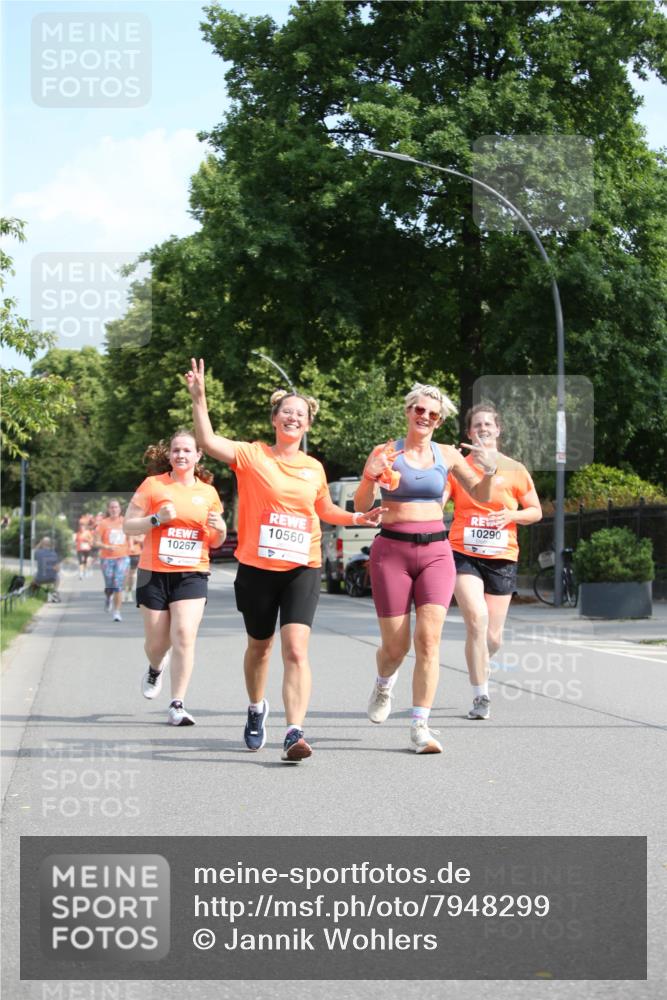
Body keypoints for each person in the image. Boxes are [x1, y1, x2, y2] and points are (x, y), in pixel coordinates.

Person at [186, 358, 385, 763]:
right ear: (275, 419)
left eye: (301, 414)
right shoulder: (251, 455)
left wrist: (356, 518)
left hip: (302, 566)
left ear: (307, 425)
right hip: (258, 569)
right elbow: (207, 442)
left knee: (296, 649)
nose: (293, 418)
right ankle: (257, 707)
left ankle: (294, 730)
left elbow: (325, 509)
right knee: (260, 647)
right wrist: (199, 398)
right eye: (287, 412)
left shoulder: (314, 468)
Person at [354, 383, 498, 754]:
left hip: (436, 551)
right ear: (408, 411)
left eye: (433, 414)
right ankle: (384, 683)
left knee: (429, 642)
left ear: (440, 420)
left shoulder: (447, 455)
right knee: (396, 646)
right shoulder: (386, 453)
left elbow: (481, 496)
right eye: (419, 410)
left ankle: (421, 725)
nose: (425, 417)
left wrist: (490, 471)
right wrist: (370, 476)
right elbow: (361, 503)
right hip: (391, 552)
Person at [443, 402, 542, 720]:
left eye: (488, 424)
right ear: (469, 432)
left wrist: (511, 514)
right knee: (476, 619)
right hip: (463, 552)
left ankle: (480, 662)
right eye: (477, 425)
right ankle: (481, 695)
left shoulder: (515, 469)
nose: (483, 429)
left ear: (498, 430)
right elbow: (438, 503)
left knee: (492, 637)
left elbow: (535, 511)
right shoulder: (459, 468)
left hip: (501, 556)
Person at [123, 430, 225, 727]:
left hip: (192, 572)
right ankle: (156, 666)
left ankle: (177, 703)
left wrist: (220, 528)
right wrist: (156, 519)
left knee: (183, 635)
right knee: (157, 642)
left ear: (198, 456)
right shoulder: (153, 485)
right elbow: (129, 526)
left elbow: (216, 541)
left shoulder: (208, 493)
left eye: (187, 450)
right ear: (169, 455)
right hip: (154, 572)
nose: (181, 455)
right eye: (176, 450)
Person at [95, 500, 130, 622]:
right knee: (110, 584)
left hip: (122, 557)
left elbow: (131, 536)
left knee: (118, 584)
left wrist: (130, 548)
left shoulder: (125, 521)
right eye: (111, 507)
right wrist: (107, 547)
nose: (114, 509)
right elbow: (96, 542)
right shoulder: (103, 523)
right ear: (108, 509)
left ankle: (117, 612)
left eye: (116, 507)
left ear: (120, 509)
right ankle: (108, 598)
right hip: (107, 558)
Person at [33, 536, 61, 601]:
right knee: (58, 577)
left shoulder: (38, 553)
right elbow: (58, 569)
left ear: (42, 544)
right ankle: (55, 591)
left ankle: (34, 594)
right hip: (52, 578)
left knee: (34, 575)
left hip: (39, 579)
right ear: (50, 544)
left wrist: (40, 543)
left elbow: (34, 550)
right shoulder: (54, 554)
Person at [124, 533, 144, 602]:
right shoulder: (121, 527)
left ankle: (129, 591)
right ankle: (123, 591)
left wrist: (133, 538)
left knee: (132, 575)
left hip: (135, 554)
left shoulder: (139, 529)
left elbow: (143, 539)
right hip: (122, 554)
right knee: (124, 574)